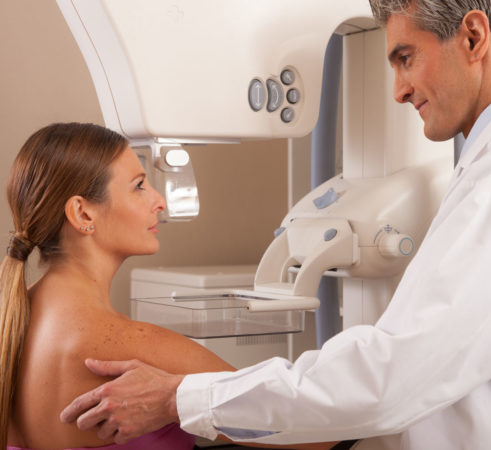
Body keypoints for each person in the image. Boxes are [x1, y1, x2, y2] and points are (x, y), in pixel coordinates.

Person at [59, 0, 491, 448]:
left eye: (406, 58)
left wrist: (182, 398)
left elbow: (393, 378)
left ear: (475, 37)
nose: (398, 89)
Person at [0, 123, 335, 450]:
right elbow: (309, 433)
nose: (159, 201)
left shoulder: (8, 333)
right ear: (83, 213)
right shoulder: (137, 350)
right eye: (139, 185)